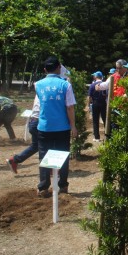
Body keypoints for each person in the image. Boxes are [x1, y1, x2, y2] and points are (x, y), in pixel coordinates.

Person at [35, 56, 78, 197]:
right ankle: (63, 185)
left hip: (44, 127)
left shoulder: (38, 85)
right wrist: (73, 126)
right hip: (62, 128)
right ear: (59, 68)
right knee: (63, 156)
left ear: (45, 69)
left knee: (43, 156)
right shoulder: (65, 85)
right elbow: (70, 107)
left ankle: (43, 187)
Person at [6, 97, 40, 174]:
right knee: (48, 144)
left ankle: (14, 160)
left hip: (34, 121)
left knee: (36, 146)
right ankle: (50, 169)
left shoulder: (40, 89)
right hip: (40, 122)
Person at [88, 71, 107, 142]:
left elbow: (89, 97)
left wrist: (88, 105)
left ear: (96, 76)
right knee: (105, 119)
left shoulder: (92, 85)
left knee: (95, 120)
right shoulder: (104, 84)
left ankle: (97, 137)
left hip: (95, 103)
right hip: (103, 103)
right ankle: (107, 135)